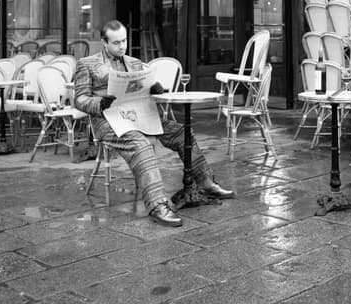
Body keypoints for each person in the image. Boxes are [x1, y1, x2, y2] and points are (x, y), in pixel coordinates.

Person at [75, 19, 234, 227]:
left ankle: (205, 182)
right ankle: (157, 204)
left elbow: (145, 87)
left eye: (124, 41)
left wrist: (155, 89)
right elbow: (79, 99)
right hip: (109, 121)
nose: (122, 46)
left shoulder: (134, 63)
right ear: (104, 42)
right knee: (141, 145)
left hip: (140, 116)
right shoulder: (87, 64)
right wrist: (100, 102)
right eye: (116, 43)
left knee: (180, 132)